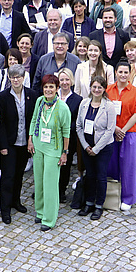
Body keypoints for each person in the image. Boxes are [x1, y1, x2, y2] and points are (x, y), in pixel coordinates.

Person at [0, 64, 39, 224]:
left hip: (25, 143)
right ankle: (5, 209)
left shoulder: (32, 95)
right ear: (9, 78)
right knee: (8, 176)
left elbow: (34, 120)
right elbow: (0, 124)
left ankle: (16, 201)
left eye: (18, 77)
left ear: (23, 78)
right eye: (13, 77)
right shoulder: (2, 97)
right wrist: (3, 146)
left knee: (20, 174)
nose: (15, 80)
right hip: (9, 143)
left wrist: (31, 140)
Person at [27, 74, 70, 230]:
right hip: (38, 146)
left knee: (50, 184)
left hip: (54, 148)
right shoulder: (39, 101)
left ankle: (49, 218)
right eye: (46, 86)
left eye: (51, 86)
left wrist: (65, 152)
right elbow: (33, 120)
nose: (48, 90)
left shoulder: (62, 107)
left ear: (57, 88)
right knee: (38, 181)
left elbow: (66, 132)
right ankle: (40, 212)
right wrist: (30, 139)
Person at [75, 75, 116, 220]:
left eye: (100, 87)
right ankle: (88, 202)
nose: (97, 90)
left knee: (101, 176)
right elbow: (78, 126)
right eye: (94, 87)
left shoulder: (109, 106)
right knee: (90, 175)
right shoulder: (84, 103)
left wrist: (96, 149)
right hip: (87, 146)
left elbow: (110, 130)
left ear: (104, 89)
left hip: (103, 147)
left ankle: (99, 205)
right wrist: (86, 146)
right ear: (90, 88)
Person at [106, 62, 136, 210]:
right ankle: (113, 194)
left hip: (129, 133)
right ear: (116, 72)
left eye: (125, 72)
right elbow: (105, 110)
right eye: (120, 72)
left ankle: (128, 198)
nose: (123, 75)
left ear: (129, 74)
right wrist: (115, 128)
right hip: (111, 132)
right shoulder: (109, 90)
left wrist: (123, 130)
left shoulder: (135, 92)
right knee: (112, 164)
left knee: (129, 166)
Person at [57, 68, 83, 201]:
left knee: (65, 166)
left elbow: (77, 121)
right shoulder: (52, 96)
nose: (64, 82)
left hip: (69, 137)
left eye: (67, 79)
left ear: (71, 81)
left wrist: (64, 129)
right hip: (52, 138)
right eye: (62, 79)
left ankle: (61, 190)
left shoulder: (78, 99)